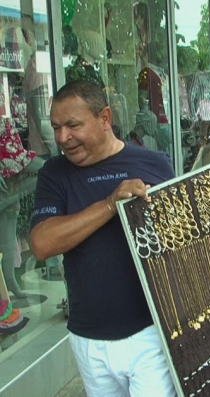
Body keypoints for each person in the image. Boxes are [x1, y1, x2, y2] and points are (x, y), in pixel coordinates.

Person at [29, 81, 176, 396]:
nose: (62, 138)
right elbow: (42, 244)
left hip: (151, 331)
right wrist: (110, 204)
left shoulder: (155, 163)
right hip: (89, 339)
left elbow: (182, 237)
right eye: (56, 127)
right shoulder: (54, 174)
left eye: (73, 126)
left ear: (105, 118)